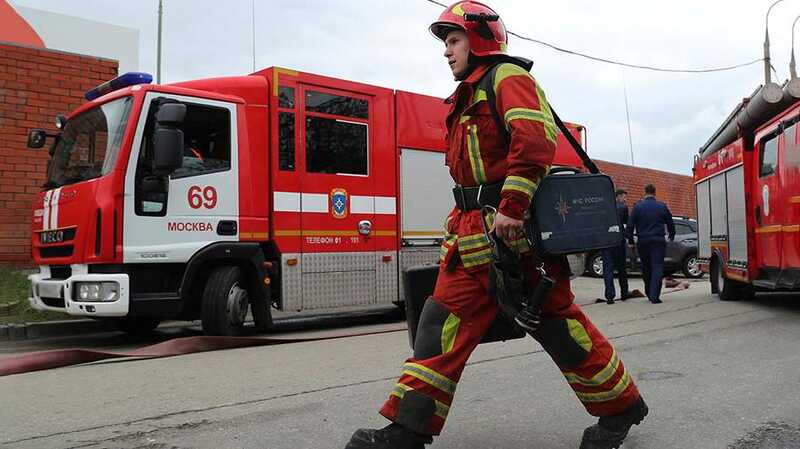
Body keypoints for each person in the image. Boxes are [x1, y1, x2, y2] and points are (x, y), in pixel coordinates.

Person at [344, 3, 648, 449]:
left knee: (558, 325)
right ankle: (407, 430)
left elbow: (534, 142)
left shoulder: (507, 78)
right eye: (445, 43)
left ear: (480, 38)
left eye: (453, 41)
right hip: (471, 236)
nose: (446, 52)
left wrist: (512, 205)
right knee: (439, 324)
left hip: (511, 236)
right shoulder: (469, 92)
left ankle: (619, 407)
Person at [626, 184, 675, 304]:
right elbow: (670, 223)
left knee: (646, 267)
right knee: (657, 267)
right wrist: (671, 236)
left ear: (645, 192)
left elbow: (630, 226)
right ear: (655, 193)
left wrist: (631, 241)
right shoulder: (661, 206)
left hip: (643, 241)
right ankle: (654, 295)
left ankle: (648, 292)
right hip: (658, 241)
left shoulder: (638, 207)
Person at [601, 189, 630, 304]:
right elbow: (627, 223)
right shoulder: (623, 208)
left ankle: (609, 296)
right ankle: (624, 293)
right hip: (618, 240)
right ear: (618, 197)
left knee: (608, 269)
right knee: (622, 268)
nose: (625, 200)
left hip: (606, 241)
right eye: (624, 197)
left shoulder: (603, 208)